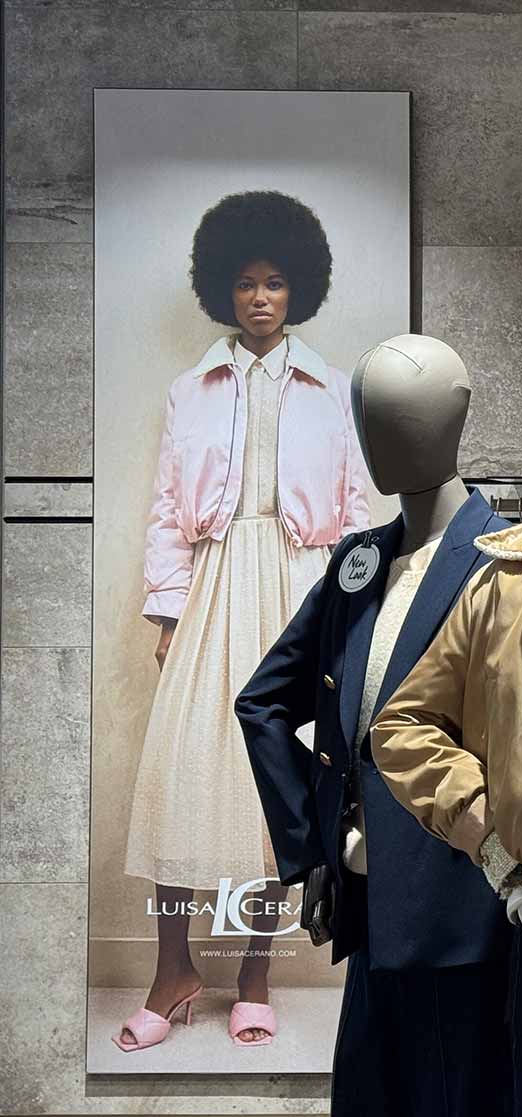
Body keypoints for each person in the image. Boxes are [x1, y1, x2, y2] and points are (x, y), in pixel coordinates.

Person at [117, 191, 370, 1052]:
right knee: (185, 774)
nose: (260, 298)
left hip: (299, 589)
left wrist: (348, 615)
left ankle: (254, 977)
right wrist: (166, 611)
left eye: (275, 283)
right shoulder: (190, 389)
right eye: (246, 284)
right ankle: (173, 971)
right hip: (214, 583)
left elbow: (357, 513)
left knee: (276, 783)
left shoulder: (333, 390)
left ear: (299, 288)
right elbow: (166, 507)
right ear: (223, 289)